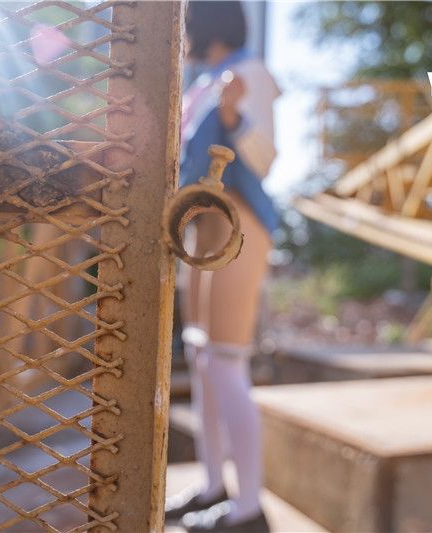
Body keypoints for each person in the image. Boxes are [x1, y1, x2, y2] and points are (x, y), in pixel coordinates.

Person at [165, 2, 280, 532]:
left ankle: (250, 509)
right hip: (202, 227)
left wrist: (234, 115)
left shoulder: (248, 71)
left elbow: (265, 157)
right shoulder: (201, 82)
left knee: (226, 361)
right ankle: (214, 487)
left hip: (239, 220)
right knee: (201, 356)